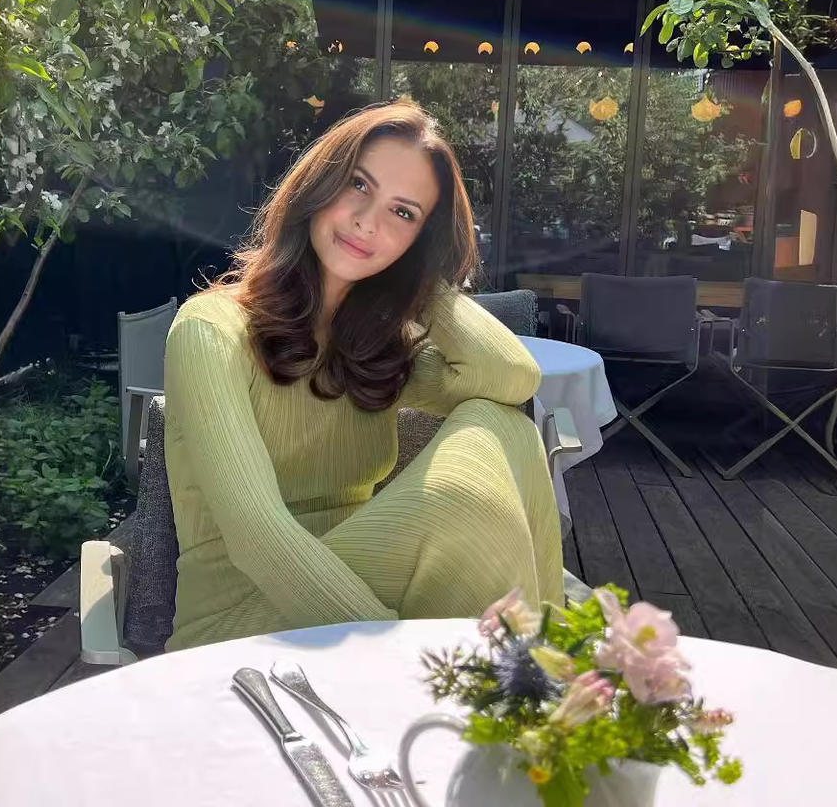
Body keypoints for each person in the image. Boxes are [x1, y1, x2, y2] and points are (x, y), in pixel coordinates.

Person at [163, 101, 563, 650]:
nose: (368, 222)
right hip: (241, 626)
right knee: (459, 499)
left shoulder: (373, 351)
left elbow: (512, 378)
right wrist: (394, 656)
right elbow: (258, 539)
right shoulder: (210, 331)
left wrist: (419, 280)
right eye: (358, 184)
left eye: (403, 214)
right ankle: (507, 672)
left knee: (504, 426)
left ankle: (526, 667)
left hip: (361, 599)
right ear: (317, 184)